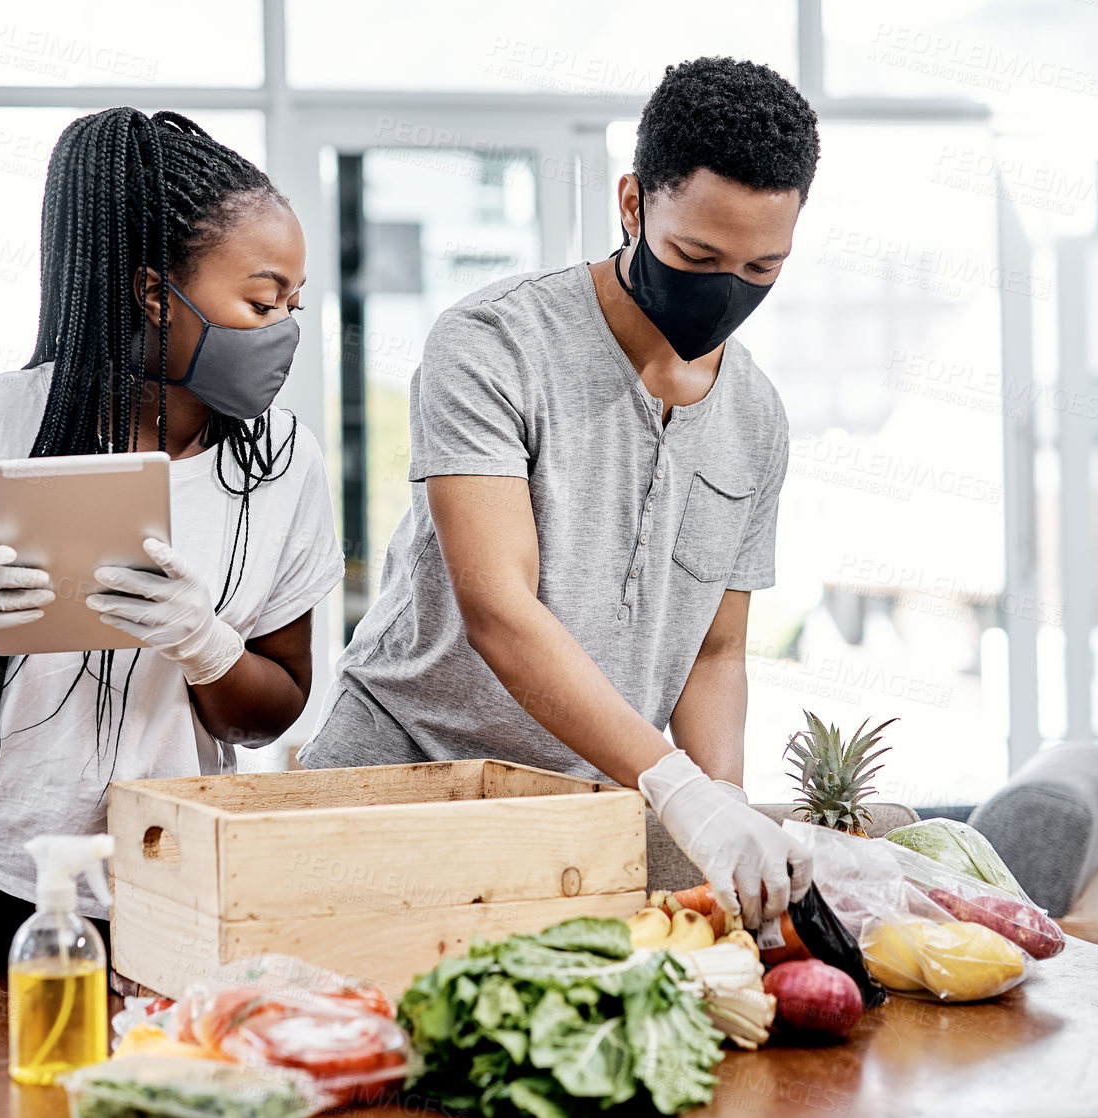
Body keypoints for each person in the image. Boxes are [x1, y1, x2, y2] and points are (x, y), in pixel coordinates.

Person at [300, 57, 819, 931]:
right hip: (402, 772)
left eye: (763, 267)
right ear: (632, 204)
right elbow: (498, 608)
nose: (728, 289)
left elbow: (715, 650)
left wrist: (720, 806)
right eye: (697, 255)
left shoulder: (757, 416)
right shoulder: (494, 345)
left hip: (581, 815)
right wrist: (677, 787)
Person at [0, 108, 342, 974]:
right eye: (263, 302)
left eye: (294, 304)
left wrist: (207, 645)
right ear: (157, 292)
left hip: (165, 879)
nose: (285, 330)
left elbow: (274, 709)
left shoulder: (284, 466)